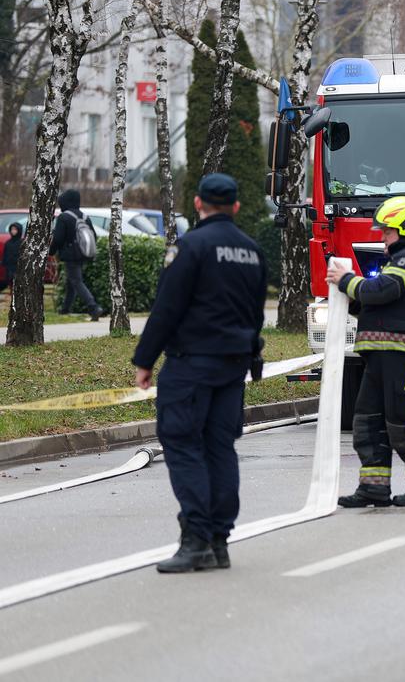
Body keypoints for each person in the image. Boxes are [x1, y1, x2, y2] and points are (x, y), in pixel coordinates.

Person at [132, 173, 268, 573]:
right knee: (220, 448)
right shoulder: (252, 251)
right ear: (236, 207)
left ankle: (196, 539)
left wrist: (145, 360)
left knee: (184, 444)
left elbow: (167, 308)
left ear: (197, 204)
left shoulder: (190, 247)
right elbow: (256, 314)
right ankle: (218, 541)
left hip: (192, 364)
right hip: (234, 365)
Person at [328, 195, 405, 509]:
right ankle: (373, 488)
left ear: (404, 231)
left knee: (403, 424)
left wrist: (347, 281)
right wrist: (348, 300)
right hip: (380, 358)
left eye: (387, 232)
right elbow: (375, 303)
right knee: (367, 423)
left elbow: (384, 290)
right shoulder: (398, 261)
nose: (382, 238)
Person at [50, 189, 102, 320]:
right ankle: (65, 309)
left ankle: (93, 307)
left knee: (76, 281)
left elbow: (58, 238)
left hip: (70, 255)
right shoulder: (84, 216)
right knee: (71, 281)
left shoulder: (64, 217)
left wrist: (51, 251)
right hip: (83, 254)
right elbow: (94, 236)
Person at [0, 222, 21, 293]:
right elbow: (5, 255)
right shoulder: (8, 243)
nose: (13, 231)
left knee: (17, 283)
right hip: (9, 268)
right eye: (12, 229)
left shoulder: (21, 242)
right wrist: (4, 263)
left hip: (18, 267)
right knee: (10, 282)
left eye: (15, 229)